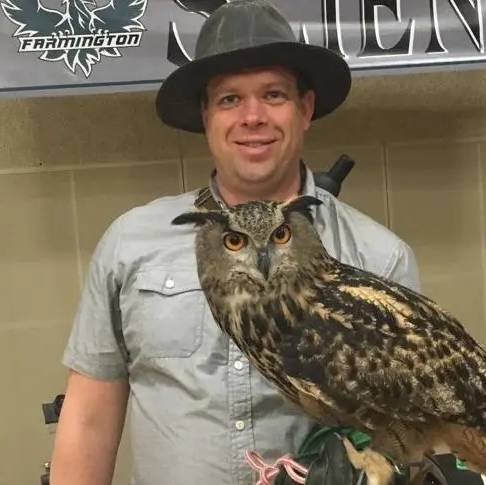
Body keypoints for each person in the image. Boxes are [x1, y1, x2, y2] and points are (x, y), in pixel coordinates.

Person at [49, 1, 424, 484]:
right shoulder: (130, 243)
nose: (252, 117)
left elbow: (410, 432)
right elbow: (88, 418)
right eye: (229, 99)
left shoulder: (379, 258)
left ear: (305, 108)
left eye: (273, 95)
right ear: (206, 114)